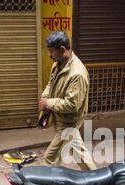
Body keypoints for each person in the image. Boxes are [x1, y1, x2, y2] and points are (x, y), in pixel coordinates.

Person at [38, 31, 96, 170]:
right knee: (79, 153)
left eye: (51, 51)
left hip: (68, 122)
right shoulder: (58, 63)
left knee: (49, 161)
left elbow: (72, 105)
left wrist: (48, 103)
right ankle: (98, 180)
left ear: (62, 49)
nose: (49, 55)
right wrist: (45, 96)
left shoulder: (77, 74)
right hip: (60, 117)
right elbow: (51, 84)